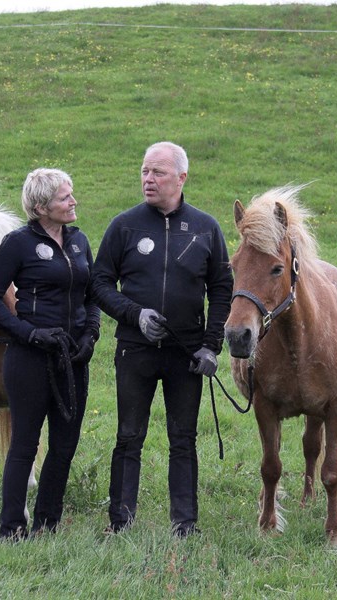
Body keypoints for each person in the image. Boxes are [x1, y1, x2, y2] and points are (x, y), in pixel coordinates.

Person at [92, 141, 233, 538]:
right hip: (134, 349)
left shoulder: (206, 228)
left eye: (158, 173)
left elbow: (222, 289)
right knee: (128, 435)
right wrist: (134, 314)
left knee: (183, 439)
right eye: (144, 172)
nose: (148, 180)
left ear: (182, 178)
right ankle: (121, 521)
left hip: (186, 354)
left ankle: (185, 524)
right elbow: (99, 282)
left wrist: (211, 345)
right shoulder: (124, 226)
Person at [0, 168, 100, 540]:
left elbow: (91, 294)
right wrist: (28, 333)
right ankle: (12, 527)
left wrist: (90, 333)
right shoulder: (18, 243)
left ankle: (48, 523)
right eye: (65, 197)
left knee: (64, 446)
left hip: (73, 360)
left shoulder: (79, 242)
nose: (73, 201)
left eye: (71, 194)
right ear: (40, 206)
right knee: (25, 445)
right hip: (29, 359)